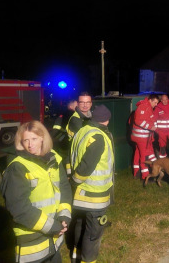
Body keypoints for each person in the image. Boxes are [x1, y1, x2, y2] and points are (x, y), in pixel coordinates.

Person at [1, 120, 72, 263]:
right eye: (25, 140)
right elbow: (19, 208)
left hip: (53, 239)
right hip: (32, 242)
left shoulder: (53, 159)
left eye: (34, 139)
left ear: (42, 138)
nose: (30, 144)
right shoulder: (17, 167)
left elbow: (64, 188)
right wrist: (52, 226)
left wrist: (64, 216)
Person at [68, 105, 114, 263]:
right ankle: (89, 260)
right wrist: (76, 179)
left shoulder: (82, 131)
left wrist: (73, 183)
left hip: (80, 195)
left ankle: (76, 256)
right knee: (93, 234)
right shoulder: (99, 137)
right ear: (107, 120)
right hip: (94, 196)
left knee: (80, 225)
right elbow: (86, 166)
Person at [130, 94, 159, 179]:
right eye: (155, 102)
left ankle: (137, 172)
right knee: (144, 156)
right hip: (141, 137)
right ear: (150, 100)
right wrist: (151, 127)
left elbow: (151, 120)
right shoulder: (144, 107)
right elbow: (138, 121)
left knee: (138, 153)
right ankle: (145, 176)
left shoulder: (148, 107)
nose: (156, 104)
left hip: (143, 137)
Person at [51, 99, 77, 176]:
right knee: (67, 160)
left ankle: (67, 175)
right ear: (70, 106)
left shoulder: (64, 115)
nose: (78, 107)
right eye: (76, 105)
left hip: (63, 143)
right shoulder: (70, 115)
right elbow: (57, 131)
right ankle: (67, 175)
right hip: (65, 143)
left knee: (66, 160)